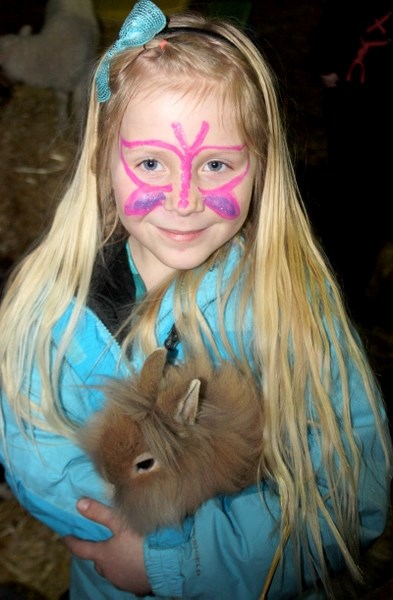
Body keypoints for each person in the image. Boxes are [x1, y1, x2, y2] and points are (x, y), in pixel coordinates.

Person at [0, 0, 391, 598]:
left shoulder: (290, 307)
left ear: (259, 167)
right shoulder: (50, 304)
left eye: (214, 164)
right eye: (151, 163)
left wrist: (175, 561)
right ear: (105, 161)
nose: (184, 200)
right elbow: (32, 451)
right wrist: (122, 536)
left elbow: (352, 484)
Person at [309, 0, 393, 326]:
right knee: (352, 208)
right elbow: (332, 26)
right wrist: (327, 65)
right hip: (354, 110)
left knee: (362, 211)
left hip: (363, 108)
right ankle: (342, 295)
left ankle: (352, 292)